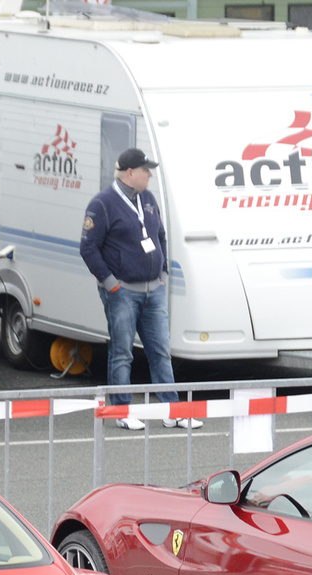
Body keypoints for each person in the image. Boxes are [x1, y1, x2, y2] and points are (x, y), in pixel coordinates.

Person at [79, 147, 200, 431]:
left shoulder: (147, 198)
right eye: (145, 170)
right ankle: (121, 411)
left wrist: (162, 274)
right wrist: (111, 284)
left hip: (152, 290)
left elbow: (159, 235)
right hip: (123, 292)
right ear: (130, 173)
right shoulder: (103, 204)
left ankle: (173, 410)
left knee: (161, 351)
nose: (150, 174)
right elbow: (88, 247)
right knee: (122, 352)